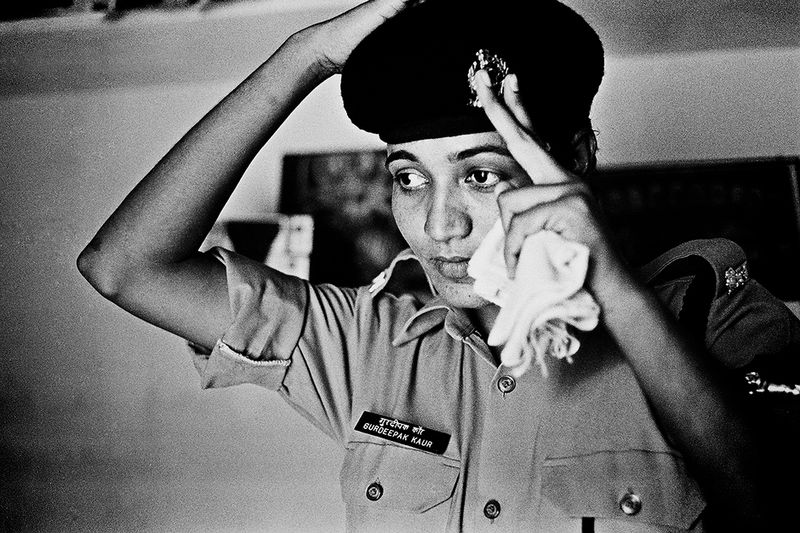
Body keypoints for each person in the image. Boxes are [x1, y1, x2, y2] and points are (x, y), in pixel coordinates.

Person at [77, 0, 799, 531]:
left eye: (480, 174)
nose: (438, 223)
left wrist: (609, 283)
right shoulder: (369, 342)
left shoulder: (705, 311)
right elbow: (124, 267)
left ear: (574, 159)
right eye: (408, 177)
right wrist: (304, 56)